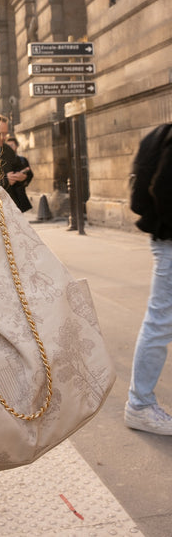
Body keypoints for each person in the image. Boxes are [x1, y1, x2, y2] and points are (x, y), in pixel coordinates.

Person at [124, 122, 172, 435]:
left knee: (161, 319)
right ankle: (139, 404)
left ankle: (140, 402)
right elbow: (164, 189)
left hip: (164, 238)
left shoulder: (162, 134)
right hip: (170, 241)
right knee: (160, 320)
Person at [0, 114, 28, 209]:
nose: (3, 137)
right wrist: (5, 181)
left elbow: (19, 168)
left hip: (8, 206)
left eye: (5, 134)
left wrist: (21, 176)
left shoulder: (7, 150)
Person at [6, 135, 34, 213]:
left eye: (12, 145)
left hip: (19, 195)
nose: (10, 148)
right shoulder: (3, 161)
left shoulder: (22, 160)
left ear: (17, 146)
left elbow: (30, 175)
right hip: (8, 196)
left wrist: (23, 178)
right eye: (8, 146)